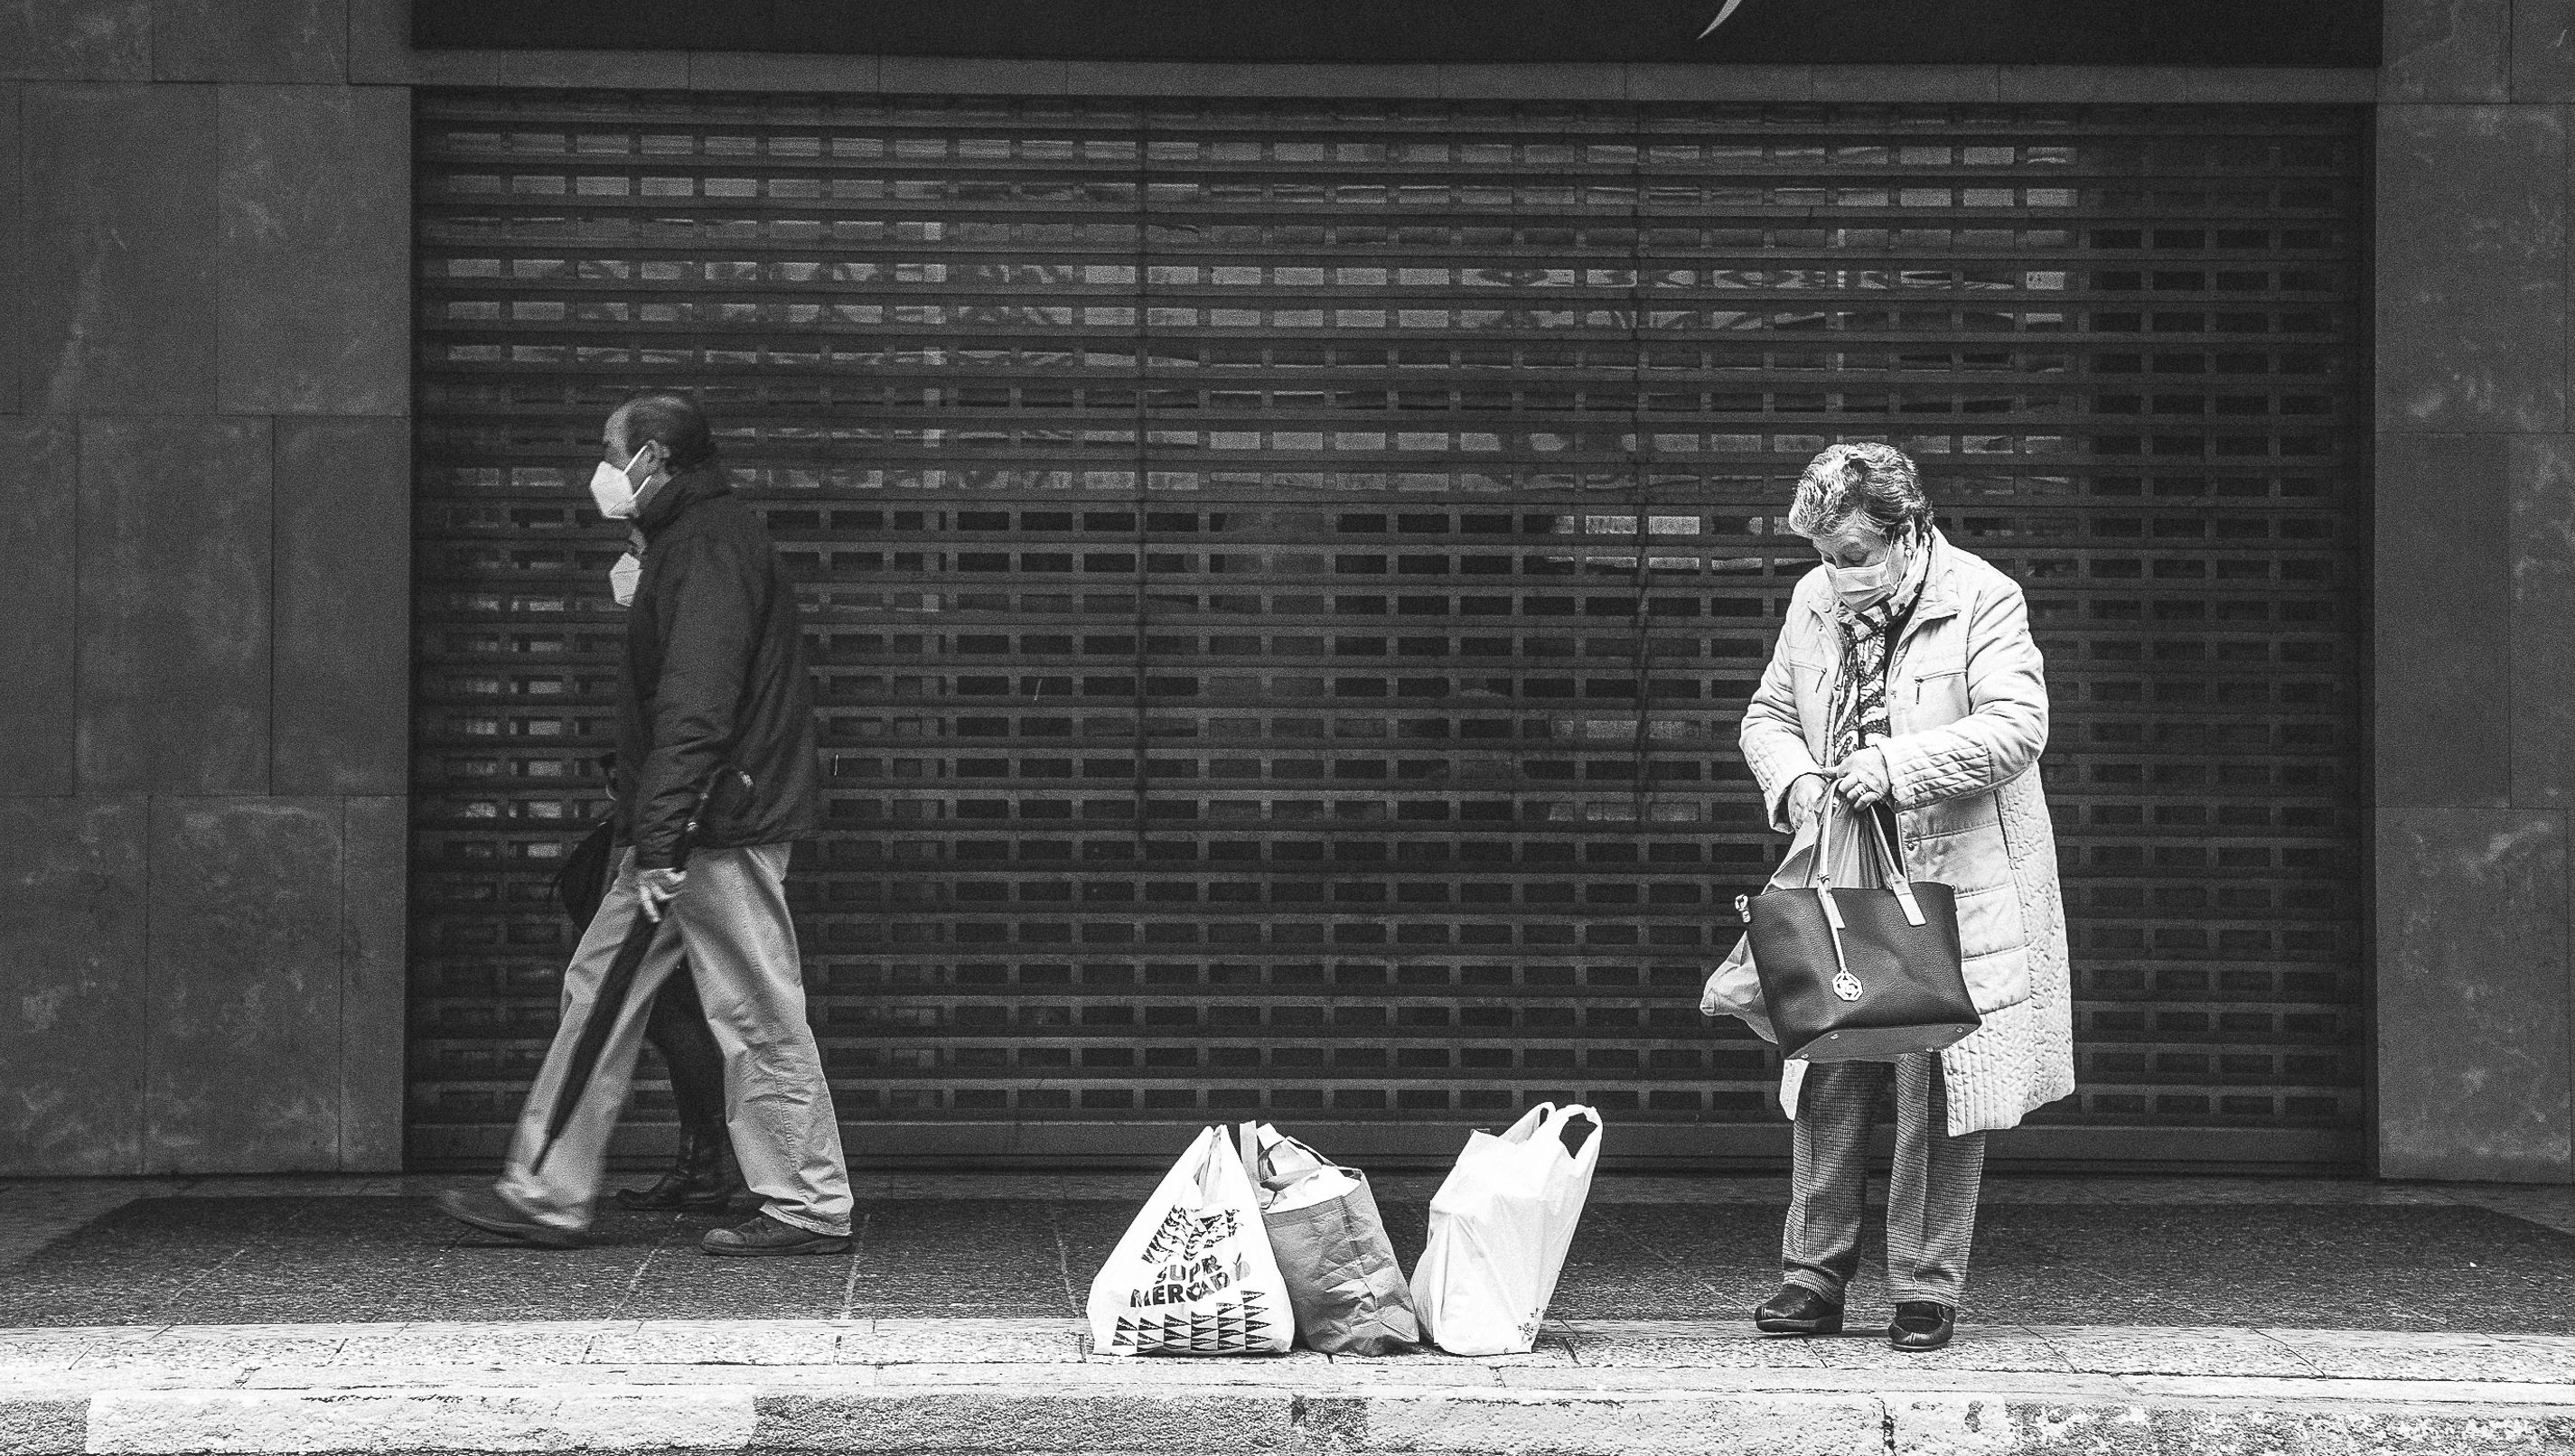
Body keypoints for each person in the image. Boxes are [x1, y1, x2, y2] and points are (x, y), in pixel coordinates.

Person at [439, 392, 852, 1255]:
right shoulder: (690, 543)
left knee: (756, 1010)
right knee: (600, 991)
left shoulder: (707, 548)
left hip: (709, 828)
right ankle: (546, 1191)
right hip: (687, 822)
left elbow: (697, 703)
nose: (601, 471)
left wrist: (661, 836)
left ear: (653, 460)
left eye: (609, 452)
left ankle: (809, 1205)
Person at [1701, 443, 2074, 1350]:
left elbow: (2019, 726)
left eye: (1854, 556)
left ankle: (1925, 1286)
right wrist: (1794, 783)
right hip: (1839, 871)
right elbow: (1771, 716)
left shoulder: (1983, 595)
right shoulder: (1814, 602)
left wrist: (1896, 768)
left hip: (1953, 884)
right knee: (1830, 1071)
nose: (1836, 577)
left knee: (1936, 1086)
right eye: (1824, 557)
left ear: (1908, 534)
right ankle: (1811, 1278)